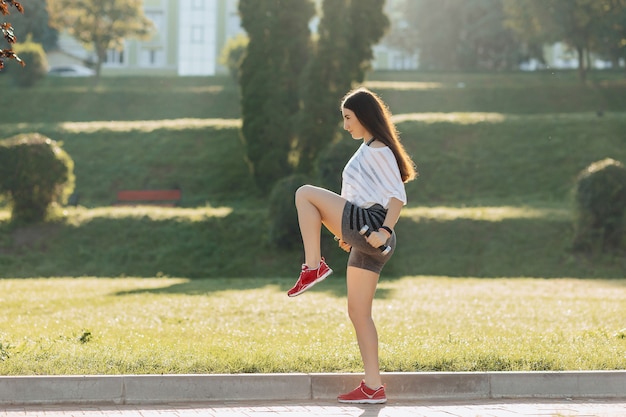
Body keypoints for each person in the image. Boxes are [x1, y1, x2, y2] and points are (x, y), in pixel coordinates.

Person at [287, 87, 417, 404]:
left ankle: (313, 267)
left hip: (374, 226)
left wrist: (384, 231)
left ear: (364, 116)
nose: (345, 125)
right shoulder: (366, 149)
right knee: (358, 312)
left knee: (304, 193)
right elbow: (352, 200)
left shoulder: (380, 149)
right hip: (364, 230)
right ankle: (373, 386)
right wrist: (345, 235)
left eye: (348, 118)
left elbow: (396, 196)